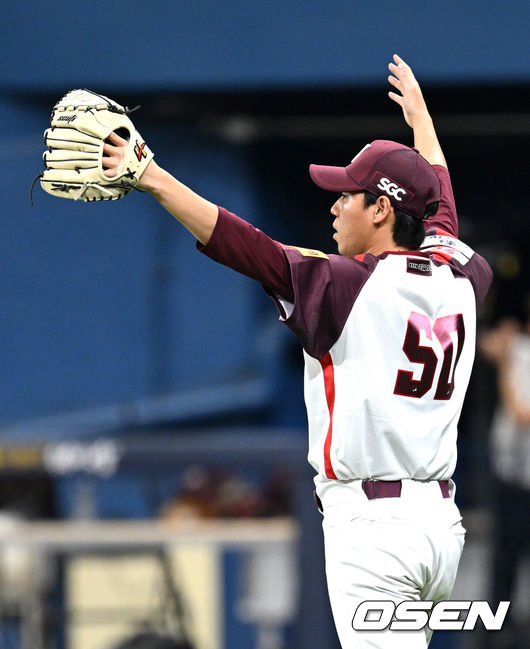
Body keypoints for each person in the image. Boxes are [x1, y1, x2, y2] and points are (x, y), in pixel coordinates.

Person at [103, 54, 493, 648]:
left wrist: (151, 177)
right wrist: (422, 125)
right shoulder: (463, 272)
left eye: (348, 196)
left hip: (375, 526)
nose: (335, 206)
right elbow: (441, 210)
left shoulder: (349, 284)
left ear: (382, 209)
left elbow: (246, 247)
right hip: (439, 525)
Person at [480, 312, 530, 649]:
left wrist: (505, 364)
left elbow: (520, 412)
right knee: (503, 562)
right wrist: (504, 343)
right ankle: (495, 636)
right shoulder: (521, 348)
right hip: (511, 476)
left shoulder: (518, 356)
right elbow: (486, 343)